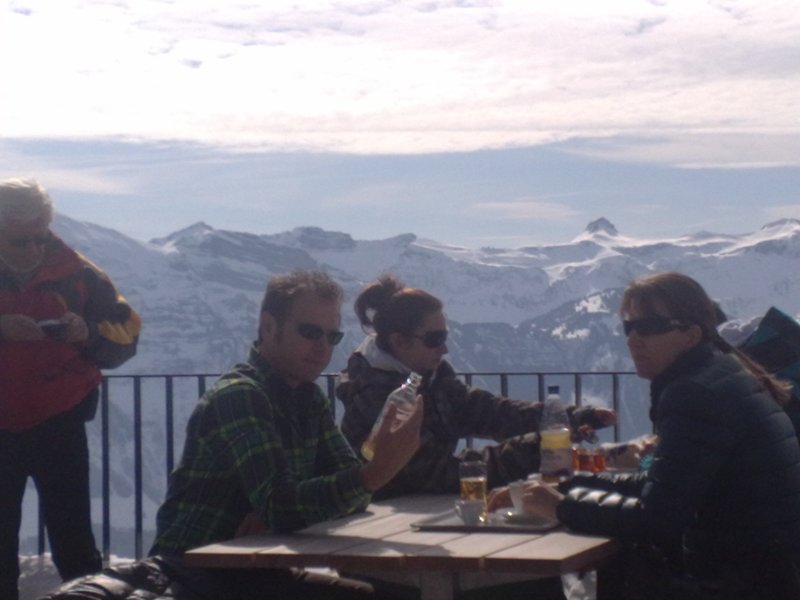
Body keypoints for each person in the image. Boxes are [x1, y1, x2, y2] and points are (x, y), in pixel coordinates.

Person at [43, 270, 423, 600]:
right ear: (269, 326)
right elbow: (294, 500)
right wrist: (368, 476)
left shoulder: (308, 400)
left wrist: (288, 510)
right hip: (195, 576)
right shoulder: (241, 395)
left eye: (332, 337)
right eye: (309, 332)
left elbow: (339, 496)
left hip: (254, 570)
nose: (322, 347)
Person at [490, 272, 800, 599]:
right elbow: (660, 484)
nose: (633, 339)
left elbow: (655, 519)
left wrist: (561, 507)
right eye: (630, 327)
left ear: (691, 335)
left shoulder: (695, 395)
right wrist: (566, 486)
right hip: (763, 576)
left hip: (732, 583)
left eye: (649, 327)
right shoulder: (721, 375)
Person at [337, 274, 616, 500]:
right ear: (399, 341)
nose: (445, 349)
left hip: (423, 510)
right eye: (435, 339)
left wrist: (571, 418)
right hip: (381, 521)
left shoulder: (430, 378)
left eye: (445, 336)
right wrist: (540, 448)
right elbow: (437, 473)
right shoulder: (379, 399)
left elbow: (490, 412)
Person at [0, 178, 141, 600]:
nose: (32, 248)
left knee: (75, 543)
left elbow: (127, 334)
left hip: (59, 423)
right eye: (19, 240)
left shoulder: (79, 273)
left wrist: (88, 332)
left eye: (39, 237)